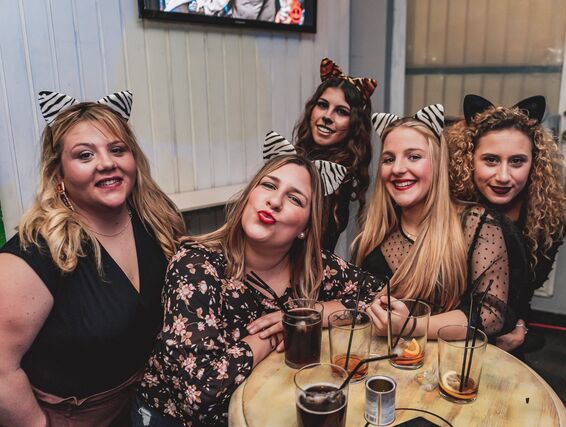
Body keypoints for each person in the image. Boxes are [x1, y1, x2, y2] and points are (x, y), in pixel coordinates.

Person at [134, 152, 385, 426]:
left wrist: (314, 313)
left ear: (305, 227)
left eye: (294, 198)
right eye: (269, 185)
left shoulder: (314, 267)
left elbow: (380, 294)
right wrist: (271, 336)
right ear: (248, 196)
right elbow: (200, 394)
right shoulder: (196, 265)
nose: (275, 201)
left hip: (266, 410)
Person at [0, 91, 185, 426]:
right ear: (58, 174)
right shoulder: (33, 253)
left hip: (147, 405)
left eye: (117, 149)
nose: (106, 162)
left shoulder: (157, 224)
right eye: (85, 155)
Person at [353, 108, 511, 341]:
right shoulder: (374, 232)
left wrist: (411, 326)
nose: (397, 169)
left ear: (438, 163)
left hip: (446, 360)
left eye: (414, 157)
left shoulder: (476, 225)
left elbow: (490, 315)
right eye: (388, 159)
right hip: (380, 358)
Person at [446, 94, 566, 352]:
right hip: (447, 331)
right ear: (469, 160)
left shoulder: (547, 219)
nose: (503, 176)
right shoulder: (450, 209)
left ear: (534, 163)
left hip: (506, 334)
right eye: (491, 160)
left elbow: (524, 292)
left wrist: (521, 326)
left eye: (517, 161)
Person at [292, 57, 377, 251]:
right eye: (323, 105)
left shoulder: (334, 176)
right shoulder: (302, 159)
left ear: (354, 125)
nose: (327, 117)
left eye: (341, 111)